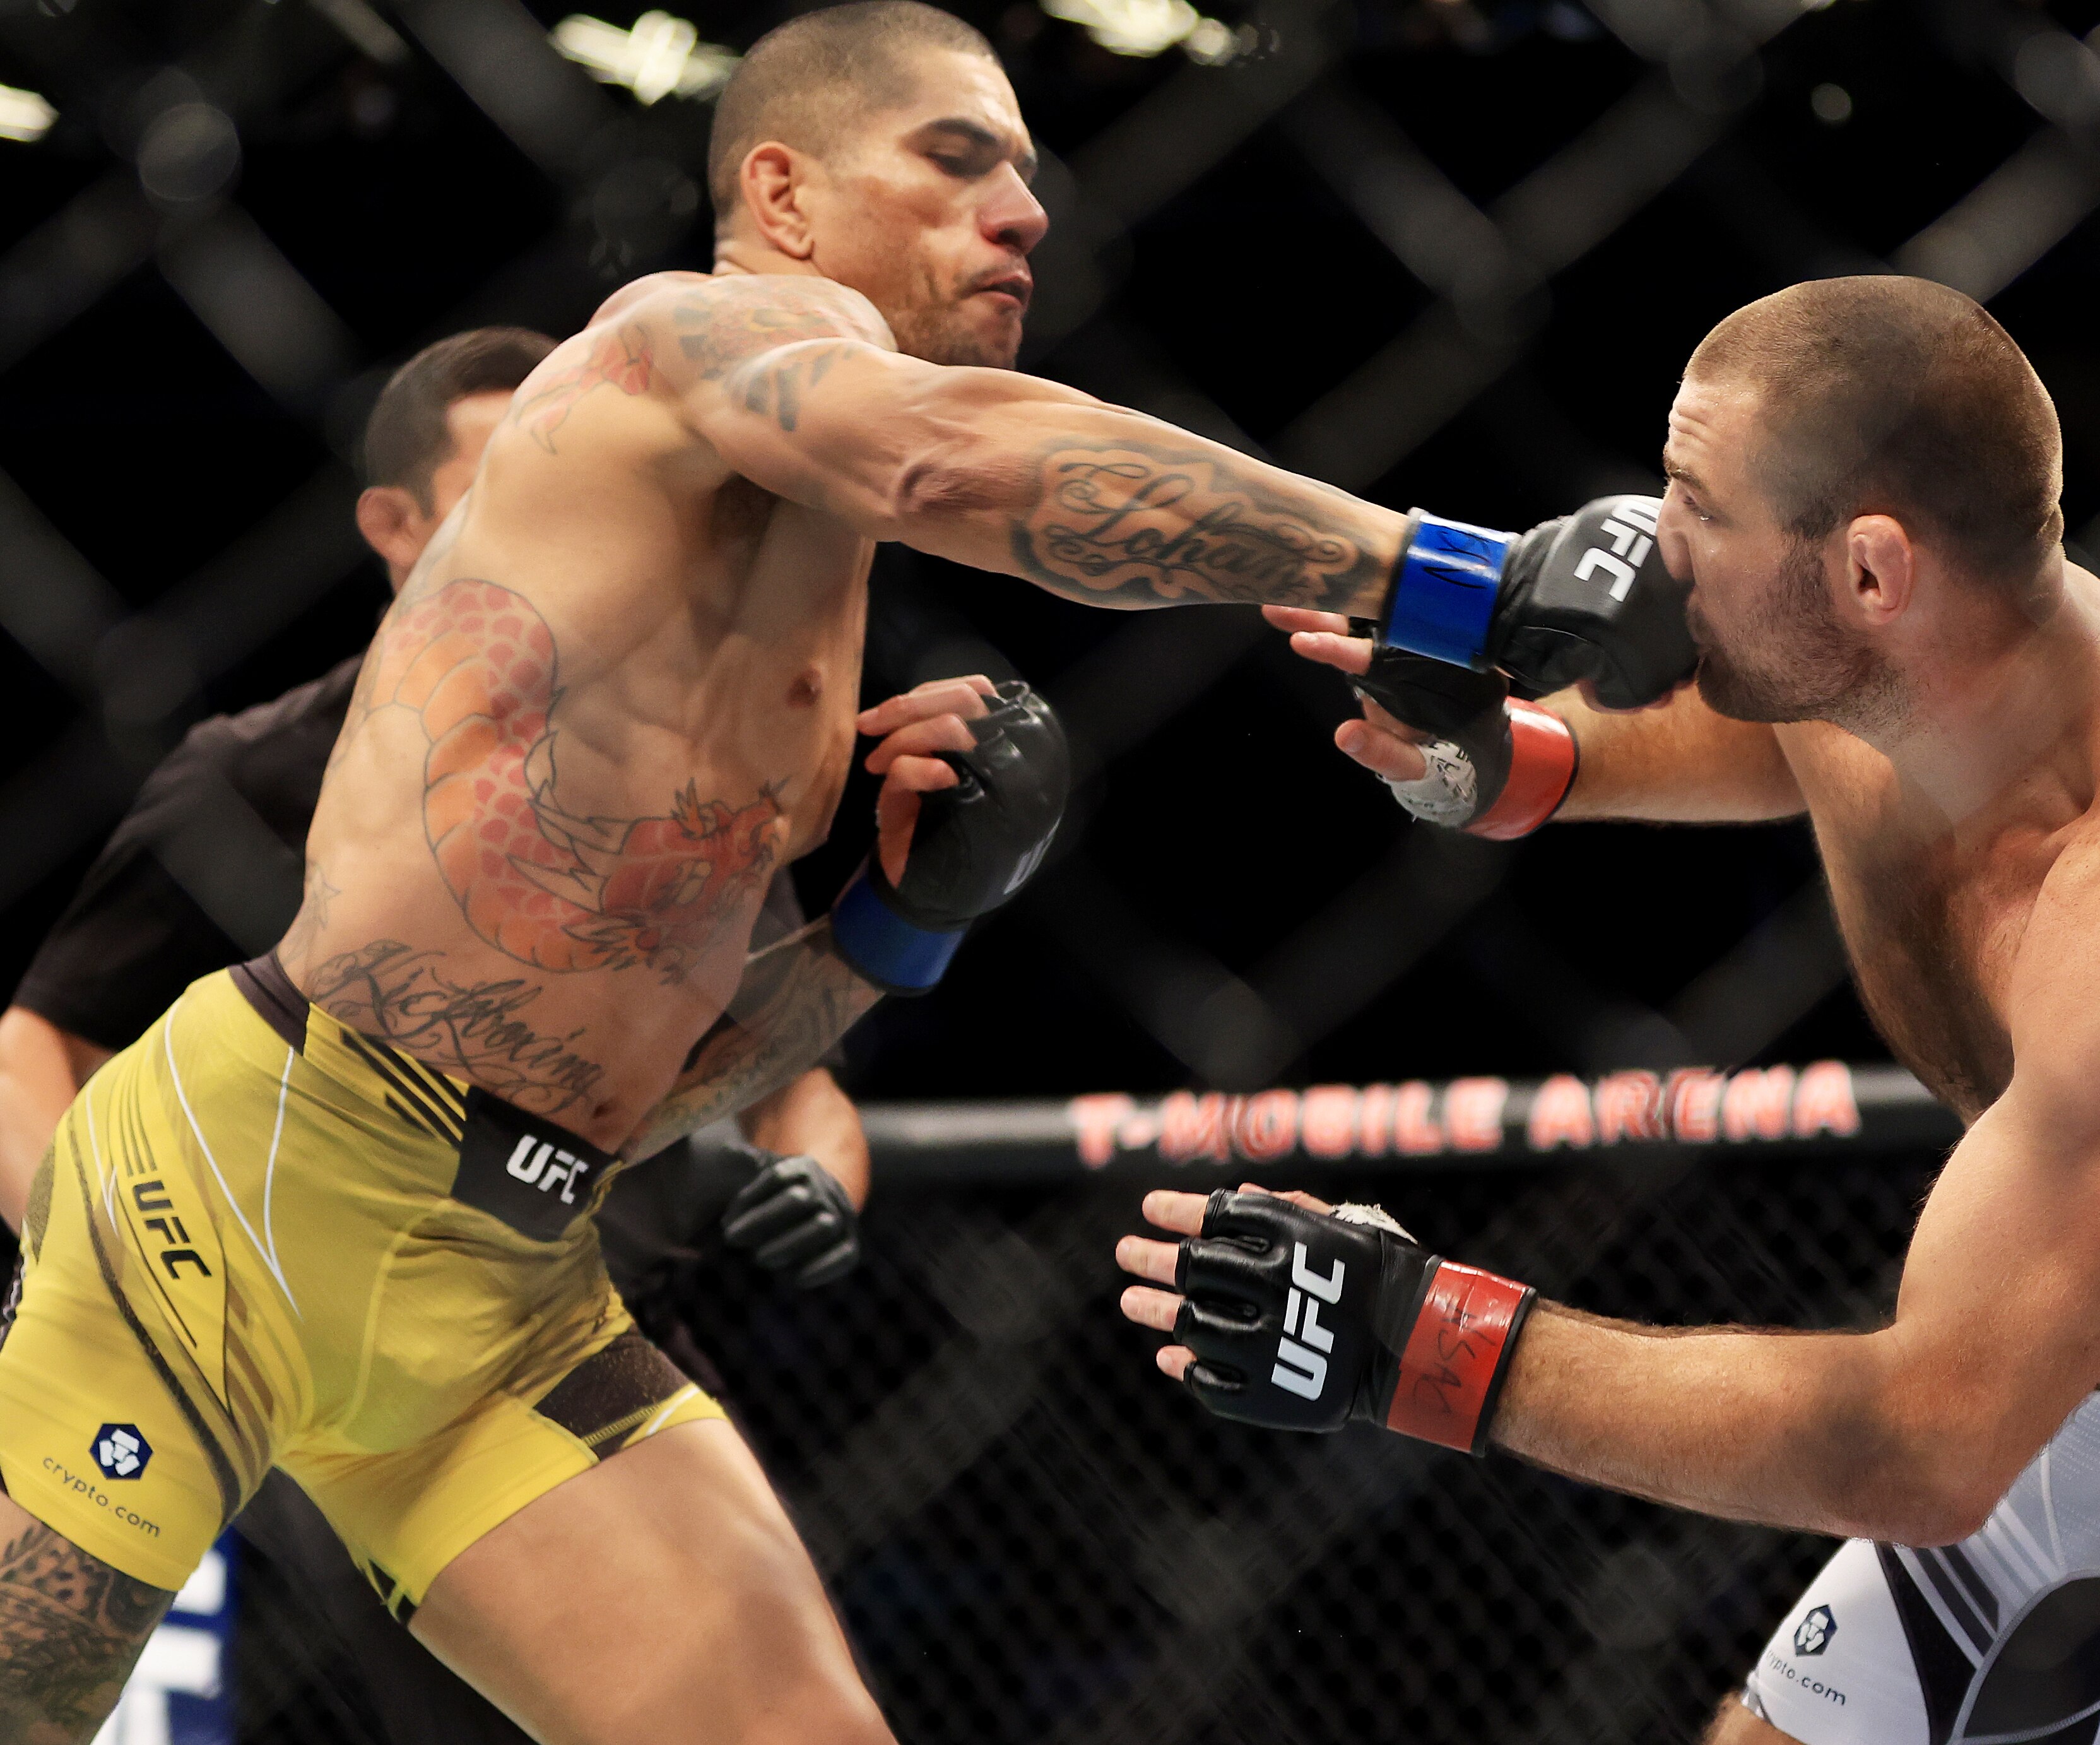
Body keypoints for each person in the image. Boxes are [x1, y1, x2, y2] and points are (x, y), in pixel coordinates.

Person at [0, 1, 1682, 1737]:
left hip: (507, 1283)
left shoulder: (798, 607)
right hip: (253, 1187)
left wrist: (898, 926)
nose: (1023, 211)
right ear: (784, 194)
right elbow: (951, 451)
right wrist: (1445, 575)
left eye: (1026, 172)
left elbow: (652, 1086)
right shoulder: (689, 335)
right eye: (955, 161)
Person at [1117, 276, 2100, 1745]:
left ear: (1871, 571)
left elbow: (1927, 1444)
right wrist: (1515, 763)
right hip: (2085, 1400)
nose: (1651, 540)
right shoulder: (1910, 668)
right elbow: (1762, 724)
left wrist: (1420, 1336)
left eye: (1697, 505)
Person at [0, 326, 881, 1744]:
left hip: (557, 1346)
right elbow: (33, 1041)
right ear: (396, 530)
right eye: (502, 493)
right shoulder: (264, 767)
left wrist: (827, 1164)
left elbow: (801, 1089)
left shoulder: (688, 791)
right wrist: (130, 1285)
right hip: (259, 1323)